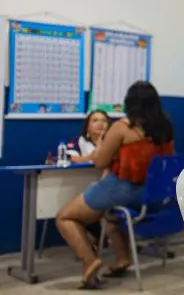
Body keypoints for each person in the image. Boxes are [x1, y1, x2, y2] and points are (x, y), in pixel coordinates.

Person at [55, 81, 175, 289]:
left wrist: (102, 145)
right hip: (152, 195)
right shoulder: (166, 129)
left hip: (122, 188)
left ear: (129, 103)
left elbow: (100, 162)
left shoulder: (123, 127)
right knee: (110, 216)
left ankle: (90, 261)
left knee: (65, 217)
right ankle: (122, 259)